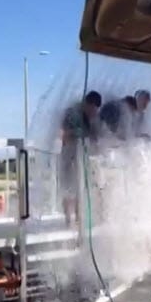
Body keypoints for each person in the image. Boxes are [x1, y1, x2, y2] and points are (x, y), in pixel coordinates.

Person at [59, 90, 102, 227]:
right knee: (67, 186)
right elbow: (64, 134)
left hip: (81, 155)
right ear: (87, 104)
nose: (93, 113)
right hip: (68, 154)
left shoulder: (89, 117)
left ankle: (78, 219)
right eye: (92, 110)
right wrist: (82, 134)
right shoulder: (73, 113)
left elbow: (94, 136)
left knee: (80, 186)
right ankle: (68, 219)